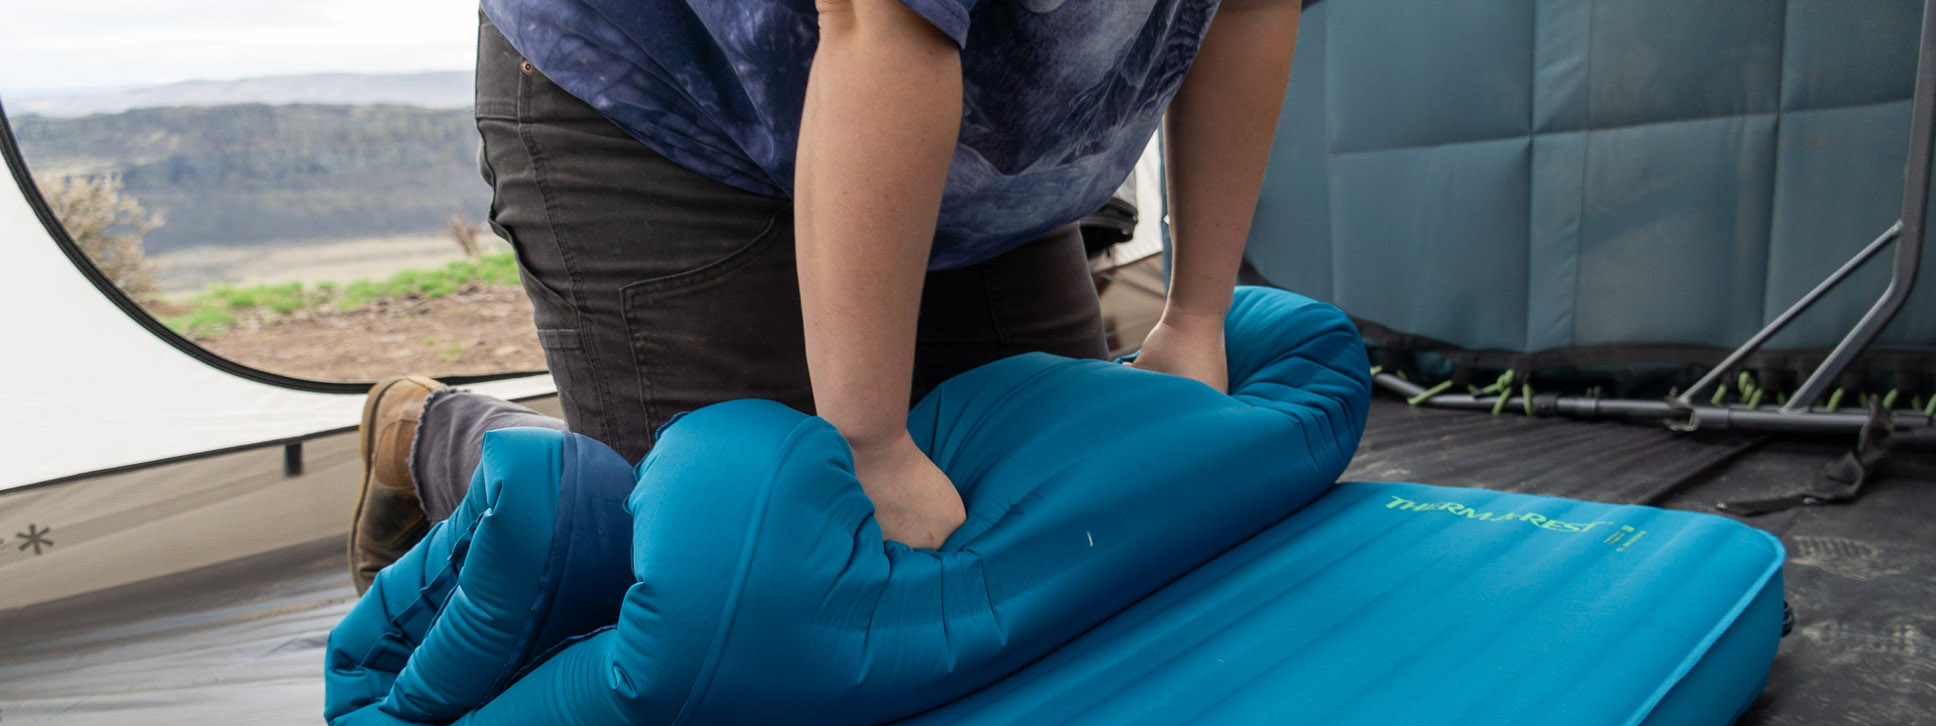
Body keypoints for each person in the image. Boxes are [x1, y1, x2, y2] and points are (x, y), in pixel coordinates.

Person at [350, 0, 1301, 593]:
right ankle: (429, 433)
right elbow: (883, 20)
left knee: (1071, 530)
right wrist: (871, 444)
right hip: (670, 100)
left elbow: (1252, 6)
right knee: (726, 569)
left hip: (971, 149)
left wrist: (1197, 317)